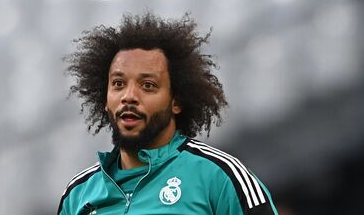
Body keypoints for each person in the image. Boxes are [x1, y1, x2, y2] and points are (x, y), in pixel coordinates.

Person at [57, 12, 278, 215]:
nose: (129, 96)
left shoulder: (219, 177)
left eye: (148, 85)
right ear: (105, 99)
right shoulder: (78, 194)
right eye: (118, 83)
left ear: (176, 101)